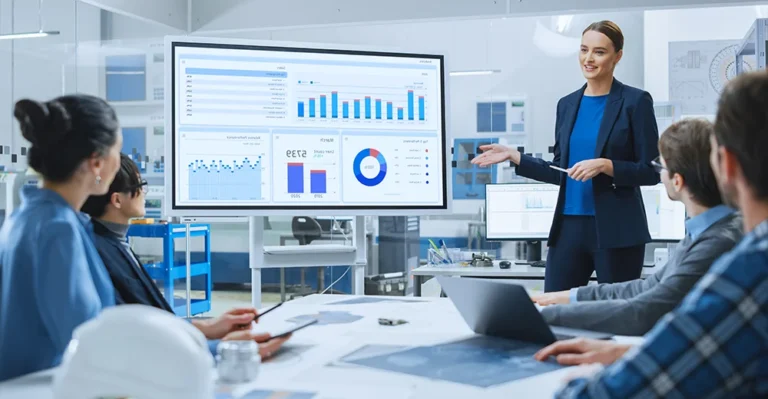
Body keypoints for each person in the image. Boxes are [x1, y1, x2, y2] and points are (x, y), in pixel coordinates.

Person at [535, 70, 768, 398]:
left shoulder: (744, 261)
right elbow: (651, 291)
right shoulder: (714, 238)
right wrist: (565, 301)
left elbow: (647, 325)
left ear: (725, 166)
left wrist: (544, 319)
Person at [472, 21, 660, 292]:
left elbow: (651, 171)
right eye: (584, 50)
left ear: (617, 56)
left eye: (599, 52)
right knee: (554, 309)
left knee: (617, 315)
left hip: (617, 230)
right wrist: (516, 157)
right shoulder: (567, 104)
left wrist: (607, 166)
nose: (588, 58)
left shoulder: (635, 102)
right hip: (568, 230)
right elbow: (561, 170)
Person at [531, 119, 742, 336]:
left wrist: (544, 316)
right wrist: (563, 298)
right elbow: (645, 288)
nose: (659, 174)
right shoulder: (702, 232)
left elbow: (644, 312)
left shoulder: (717, 242)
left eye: (661, 166)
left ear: (677, 181)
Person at [81, 154, 288, 360]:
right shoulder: (98, 253)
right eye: (140, 185)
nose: (144, 192)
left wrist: (206, 328)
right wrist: (221, 349)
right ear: (117, 199)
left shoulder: (114, 242)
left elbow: (153, 321)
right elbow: (133, 338)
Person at [0, 95, 123, 382]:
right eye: (118, 150)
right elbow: (88, 344)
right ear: (96, 162)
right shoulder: (58, 230)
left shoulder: (25, 218)